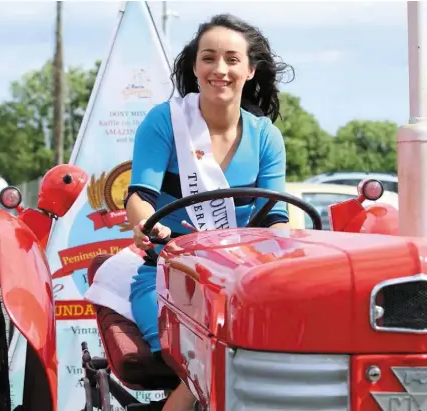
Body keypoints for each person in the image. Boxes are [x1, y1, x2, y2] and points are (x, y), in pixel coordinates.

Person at [124, 14, 293, 411]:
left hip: (241, 287)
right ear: (195, 66)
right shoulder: (165, 121)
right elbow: (139, 197)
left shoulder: (266, 136)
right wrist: (143, 225)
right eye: (209, 58)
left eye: (232, 60)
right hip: (170, 278)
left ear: (250, 70)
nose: (220, 69)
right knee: (202, 367)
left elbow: (276, 219)